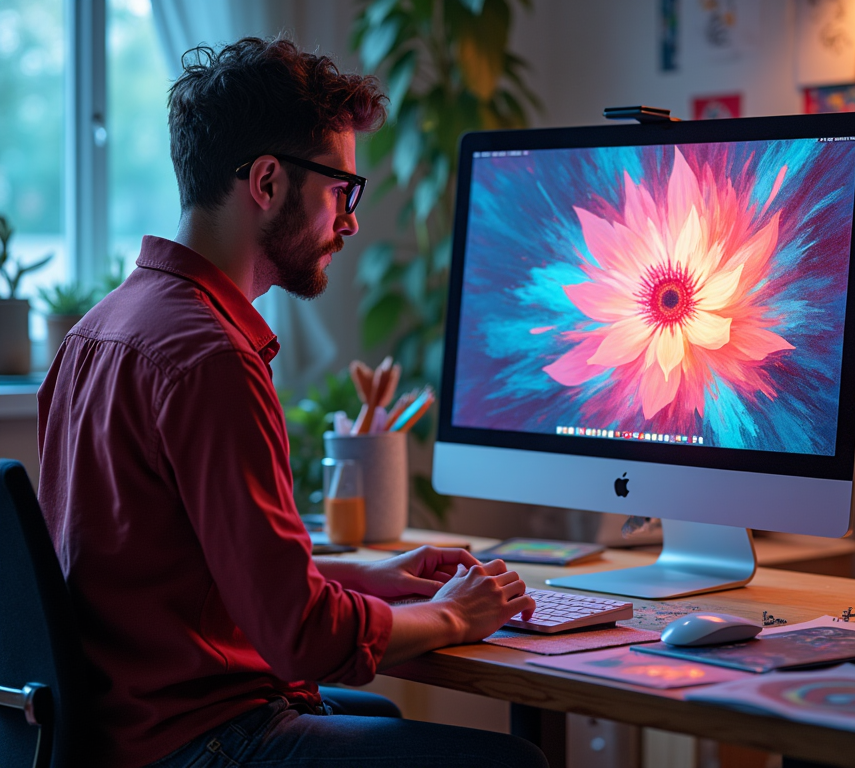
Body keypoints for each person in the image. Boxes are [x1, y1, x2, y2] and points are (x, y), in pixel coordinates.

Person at [37, 36, 545, 768]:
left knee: (378, 716)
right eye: (342, 189)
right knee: (510, 764)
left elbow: (190, 568)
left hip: (122, 728)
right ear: (269, 183)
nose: (352, 221)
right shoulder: (212, 358)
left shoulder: (98, 329)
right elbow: (301, 638)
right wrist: (452, 614)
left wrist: (372, 577)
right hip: (196, 740)